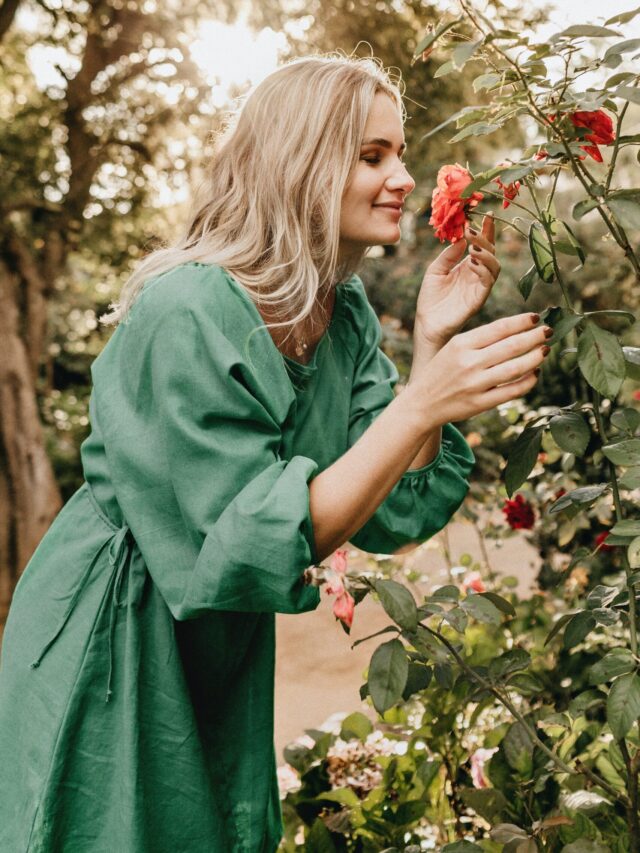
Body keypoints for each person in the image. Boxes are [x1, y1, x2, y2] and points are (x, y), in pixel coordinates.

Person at [0, 54, 548, 852]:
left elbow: (396, 507)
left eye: (398, 154)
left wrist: (431, 347)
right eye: (372, 156)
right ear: (302, 162)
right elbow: (243, 542)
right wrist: (422, 401)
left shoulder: (343, 311)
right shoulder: (188, 308)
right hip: (116, 629)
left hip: (219, 638)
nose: (402, 177)